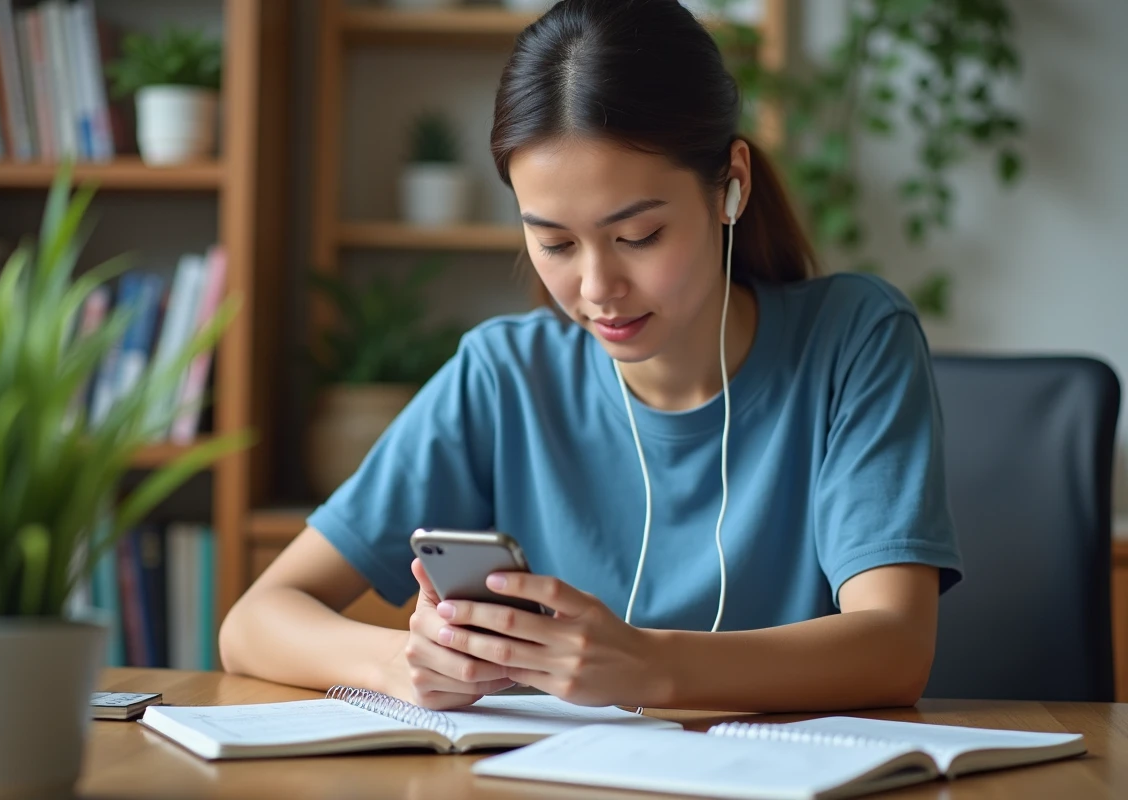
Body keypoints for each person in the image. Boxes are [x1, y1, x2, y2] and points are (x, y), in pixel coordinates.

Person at [220, 0, 963, 713]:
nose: (598, 287)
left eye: (638, 236)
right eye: (554, 243)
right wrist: (402, 664)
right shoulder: (506, 376)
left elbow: (895, 648)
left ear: (729, 186)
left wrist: (647, 667)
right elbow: (254, 622)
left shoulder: (855, 339)